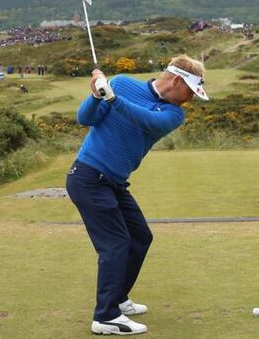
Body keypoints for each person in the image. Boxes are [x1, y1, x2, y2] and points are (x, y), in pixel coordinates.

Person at [67, 55, 208, 336]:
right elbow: (85, 119)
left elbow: (147, 122)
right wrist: (96, 95)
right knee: (116, 244)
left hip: (114, 182)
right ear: (178, 81)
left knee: (141, 237)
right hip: (88, 177)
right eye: (191, 92)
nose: (191, 98)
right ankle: (106, 316)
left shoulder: (174, 114)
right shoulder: (120, 84)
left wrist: (113, 99)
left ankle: (117, 298)